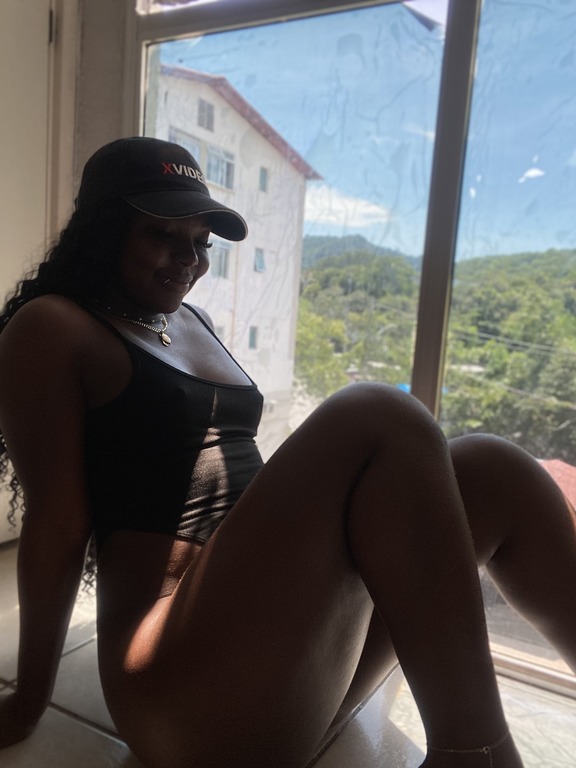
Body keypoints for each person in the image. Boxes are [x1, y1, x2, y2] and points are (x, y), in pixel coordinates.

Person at [0, 137, 574, 768]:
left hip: (286, 655)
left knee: (492, 468)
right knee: (377, 413)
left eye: (201, 242)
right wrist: (29, 700)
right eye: (162, 233)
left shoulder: (191, 321)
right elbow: (57, 524)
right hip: (179, 684)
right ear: (103, 230)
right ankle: (478, 757)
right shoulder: (53, 326)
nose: (189, 259)